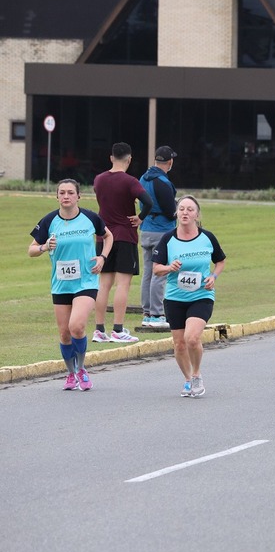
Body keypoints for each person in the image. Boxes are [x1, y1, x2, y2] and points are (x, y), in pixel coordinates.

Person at [29, 179, 113, 391]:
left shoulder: (90, 218)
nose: (66, 196)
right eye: (62, 193)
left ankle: (82, 368)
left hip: (86, 280)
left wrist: (102, 257)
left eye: (70, 193)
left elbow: (108, 235)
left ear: (78, 196)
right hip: (61, 283)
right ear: (57, 196)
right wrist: (45, 246)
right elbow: (31, 249)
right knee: (64, 333)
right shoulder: (49, 221)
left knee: (77, 326)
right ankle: (70, 373)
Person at [152, 196, 226, 397]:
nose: (185, 213)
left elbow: (220, 261)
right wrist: (169, 267)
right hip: (175, 297)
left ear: (197, 214)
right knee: (179, 343)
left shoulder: (207, 237)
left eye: (190, 209)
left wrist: (213, 276)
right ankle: (187, 379)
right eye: (182, 209)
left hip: (201, 295)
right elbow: (156, 269)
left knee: (192, 338)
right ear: (176, 213)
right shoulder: (168, 238)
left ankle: (197, 374)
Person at [92, 142, 153, 344]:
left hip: (103, 236)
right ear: (129, 159)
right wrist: (140, 217)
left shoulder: (99, 180)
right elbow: (149, 201)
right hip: (125, 235)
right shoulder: (130, 181)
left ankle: (99, 329)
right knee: (123, 284)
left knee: (103, 284)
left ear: (111, 158)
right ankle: (118, 329)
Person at [139, 146, 178, 329]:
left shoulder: (143, 178)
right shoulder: (162, 181)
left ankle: (147, 312)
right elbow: (170, 212)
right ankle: (156, 313)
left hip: (146, 230)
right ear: (169, 162)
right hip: (161, 232)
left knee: (148, 272)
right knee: (160, 272)